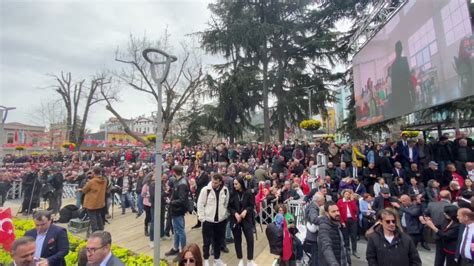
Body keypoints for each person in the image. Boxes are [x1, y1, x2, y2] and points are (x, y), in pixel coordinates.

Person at [196, 172, 229, 266]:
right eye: (213, 182)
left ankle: (217, 260)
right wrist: (202, 218)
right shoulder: (206, 190)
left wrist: (224, 215)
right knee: (206, 242)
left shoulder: (225, 190)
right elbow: (200, 204)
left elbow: (226, 204)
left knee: (218, 241)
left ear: (220, 182)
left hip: (220, 221)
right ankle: (206, 260)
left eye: (216, 183)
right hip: (208, 220)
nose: (214, 184)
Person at [228, 177, 256, 266]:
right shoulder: (232, 193)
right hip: (235, 219)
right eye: (234, 184)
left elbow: (252, 205)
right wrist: (235, 213)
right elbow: (229, 206)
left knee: (250, 239)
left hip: (246, 219)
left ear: (241, 184)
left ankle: (250, 260)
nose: (234, 185)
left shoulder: (248, 193)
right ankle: (240, 259)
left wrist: (246, 210)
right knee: (237, 240)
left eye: (236, 184)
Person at [165, 165, 191, 257]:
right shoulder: (178, 181)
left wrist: (171, 201)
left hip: (178, 210)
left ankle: (183, 251)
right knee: (176, 230)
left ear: (174, 172)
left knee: (180, 230)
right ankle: (175, 248)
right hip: (175, 210)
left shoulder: (182, 183)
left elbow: (182, 200)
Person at [318, 201, 351, 266]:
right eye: (333, 212)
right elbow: (326, 247)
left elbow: (342, 246)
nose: (337, 213)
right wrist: (333, 263)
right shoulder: (324, 227)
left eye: (337, 211)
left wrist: (348, 261)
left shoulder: (336, 224)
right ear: (327, 213)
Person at [81, 166, 107, 232]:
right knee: (98, 216)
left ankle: (95, 231)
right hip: (99, 202)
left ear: (94, 172)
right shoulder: (104, 180)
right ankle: (101, 230)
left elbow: (84, 190)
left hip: (91, 203)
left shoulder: (91, 182)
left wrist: (87, 182)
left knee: (93, 218)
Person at [336, 189, 360, 258]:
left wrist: (352, 201)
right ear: (343, 194)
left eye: (349, 194)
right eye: (346, 194)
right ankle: (347, 249)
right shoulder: (340, 202)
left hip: (352, 220)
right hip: (345, 221)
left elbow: (356, 210)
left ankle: (354, 250)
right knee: (345, 236)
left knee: (354, 236)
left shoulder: (352, 201)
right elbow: (339, 213)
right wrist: (342, 222)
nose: (347, 195)